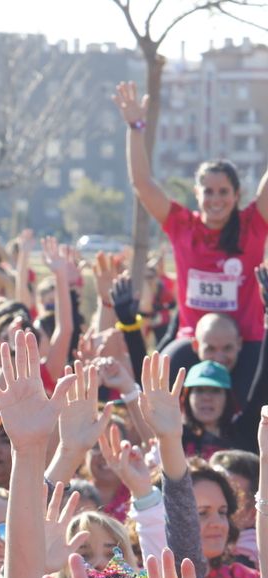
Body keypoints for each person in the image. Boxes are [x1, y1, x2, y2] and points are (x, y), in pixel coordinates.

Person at [115, 81, 268, 395]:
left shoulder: (253, 224)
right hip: (193, 341)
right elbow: (142, 184)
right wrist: (135, 127)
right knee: (156, 386)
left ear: (237, 194)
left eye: (224, 191)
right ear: (197, 194)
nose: (216, 199)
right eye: (208, 191)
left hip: (247, 341)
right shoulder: (182, 225)